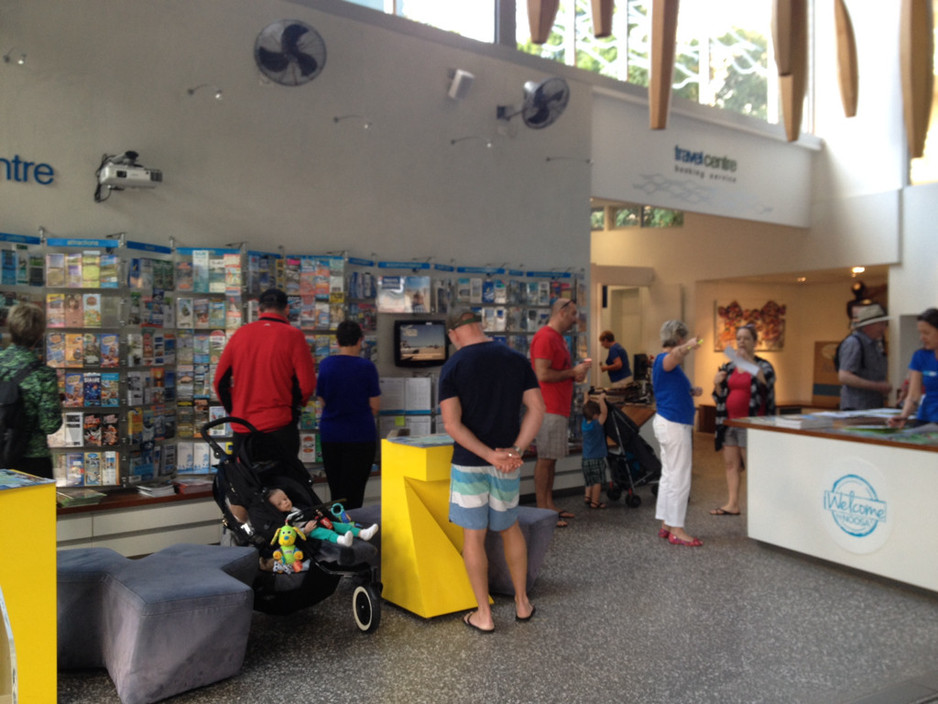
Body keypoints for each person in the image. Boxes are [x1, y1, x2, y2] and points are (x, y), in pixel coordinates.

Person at [440, 309, 545, 632]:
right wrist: (515, 450)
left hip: (471, 465)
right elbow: (537, 408)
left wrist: (488, 455)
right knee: (510, 527)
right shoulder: (514, 358)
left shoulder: (453, 366)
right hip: (507, 464)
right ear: (478, 327)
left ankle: (483, 615)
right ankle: (522, 603)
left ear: (453, 335)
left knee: (474, 537)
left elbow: (452, 425)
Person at [214, 288, 316, 464]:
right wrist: (293, 409)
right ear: (286, 310)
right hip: (280, 428)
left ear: (259, 310)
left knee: (246, 486)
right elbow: (306, 384)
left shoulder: (240, 334)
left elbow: (219, 382)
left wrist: (235, 410)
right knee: (282, 486)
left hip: (243, 428)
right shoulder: (294, 336)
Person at [530, 298, 591, 527]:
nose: (576, 319)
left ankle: (548, 505)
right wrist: (571, 372)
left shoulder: (558, 339)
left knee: (551, 459)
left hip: (558, 407)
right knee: (545, 459)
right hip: (548, 408)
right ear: (562, 312)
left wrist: (575, 373)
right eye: (573, 314)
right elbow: (542, 375)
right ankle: (542, 509)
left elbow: (559, 371)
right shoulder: (545, 337)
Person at [710, 323, 776, 516]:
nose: (741, 342)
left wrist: (747, 361)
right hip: (729, 422)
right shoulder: (729, 367)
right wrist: (716, 383)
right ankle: (732, 503)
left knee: (753, 466)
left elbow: (767, 382)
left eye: (746, 338)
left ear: (755, 342)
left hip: (751, 423)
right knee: (731, 465)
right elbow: (720, 396)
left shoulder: (762, 365)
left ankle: (761, 506)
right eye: (739, 338)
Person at [315, 320, 380, 509]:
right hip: (361, 435)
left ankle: (338, 530)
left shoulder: (327, 365)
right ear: (361, 340)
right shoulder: (367, 367)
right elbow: (375, 406)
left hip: (332, 435)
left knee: (337, 490)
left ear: (337, 341)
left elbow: (321, 399)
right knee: (356, 491)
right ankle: (355, 531)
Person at [652, 320, 703, 547]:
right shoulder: (665, 359)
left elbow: (671, 386)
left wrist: (691, 390)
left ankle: (666, 523)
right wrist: (690, 346)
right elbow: (675, 357)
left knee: (670, 476)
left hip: (670, 422)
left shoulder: (668, 364)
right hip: (674, 424)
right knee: (680, 477)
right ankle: (677, 529)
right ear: (680, 338)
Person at [0, 303, 62, 478]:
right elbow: (51, 425)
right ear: (39, 334)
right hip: (32, 461)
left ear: (10, 327)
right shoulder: (43, 374)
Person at [266, 488, 378, 546]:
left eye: (285, 499)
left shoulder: (298, 506)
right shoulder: (286, 519)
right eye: (280, 504)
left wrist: (317, 514)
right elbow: (291, 532)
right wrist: (305, 530)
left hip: (319, 521)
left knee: (340, 526)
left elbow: (309, 512)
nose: (285, 503)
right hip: (311, 531)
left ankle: (362, 533)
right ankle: (342, 540)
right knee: (327, 534)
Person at [838, 302, 891, 410]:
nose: (884, 328)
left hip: (873, 406)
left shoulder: (876, 345)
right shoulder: (854, 343)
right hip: (856, 407)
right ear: (868, 326)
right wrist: (876, 386)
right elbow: (844, 376)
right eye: (881, 324)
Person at [890, 308, 938, 426]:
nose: (922, 338)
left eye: (926, 333)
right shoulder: (920, 356)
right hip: (926, 419)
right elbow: (913, 395)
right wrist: (903, 416)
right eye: (920, 333)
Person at [580, 392, 609, 509]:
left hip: (585, 459)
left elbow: (585, 408)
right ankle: (595, 502)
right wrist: (601, 399)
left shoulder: (584, 423)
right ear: (595, 415)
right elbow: (605, 413)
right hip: (597, 458)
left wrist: (586, 397)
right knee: (597, 482)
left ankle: (587, 497)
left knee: (589, 480)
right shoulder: (597, 424)